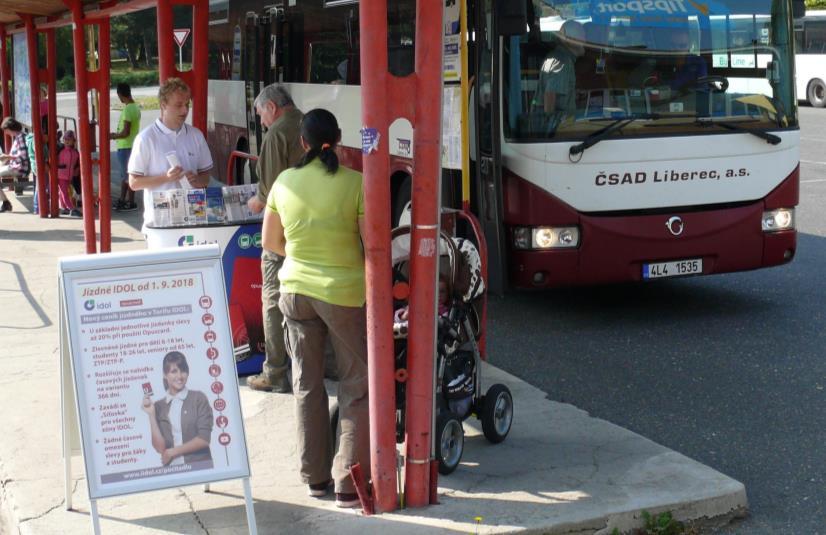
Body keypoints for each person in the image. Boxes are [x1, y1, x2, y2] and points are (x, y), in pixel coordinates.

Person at [262, 108, 369, 509]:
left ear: (302, 143)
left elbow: (271, 242)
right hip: (343, 293)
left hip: (295, 291)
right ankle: (348, 481)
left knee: (307, 385)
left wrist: (303, 261)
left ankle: (315, 478)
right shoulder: (356, 184)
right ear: (338, 140)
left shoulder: (283, 182)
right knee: (355, 384)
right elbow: (368, 243)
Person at [245, 84, 304, 394]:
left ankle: (276, 371)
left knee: (272, 296)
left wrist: (255, 201)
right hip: (311, 227)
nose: (262, 122)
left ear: (272, 107)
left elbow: (269, 191)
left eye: (260, 115)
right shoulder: (308, 123)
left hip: (281, 229)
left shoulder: (277, 133)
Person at [128, 78, 213, 231]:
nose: (185, 110)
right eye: (179, 105)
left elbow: (206, 176)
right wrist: (166, 178)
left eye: (187, 104)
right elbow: (134, 183)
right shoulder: (146, 138)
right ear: (163, 105)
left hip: (194, 219)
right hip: (160, 224)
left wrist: (197, 181)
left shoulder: (196, 135)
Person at [141, 351, 214, 467]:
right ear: (165, 375)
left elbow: (204, 439)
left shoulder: (198, 398)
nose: (179, 376)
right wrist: (151, 414)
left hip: (199, 466)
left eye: (183, 371)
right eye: (174, 371)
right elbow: (160, 448)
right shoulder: (159, 406)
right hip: (172, 470)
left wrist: (172, 452)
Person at [530, 20, 586, 135]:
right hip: (555, 132)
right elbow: (550, 95)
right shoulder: (562, 61)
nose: (585, 41)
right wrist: (550, 135)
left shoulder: (558, 57)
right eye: (582, 37)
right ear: (572, 40)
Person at [110, 83, 141, 211]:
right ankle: (125, 200)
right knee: (128, 175)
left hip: (125, 146)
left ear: (120, 95)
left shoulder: (128, 109)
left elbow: (126, 132)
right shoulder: (136, 108)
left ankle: (128, 202)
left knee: (127, 176)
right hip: (131, 145)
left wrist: (113, 136)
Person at [0, 117, 30, 213]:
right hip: (17, 166)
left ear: (10, 128)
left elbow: (23, 156)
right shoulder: (19, 136)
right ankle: (5, 202)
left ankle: (5, 202)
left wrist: (8, 157)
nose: (6, 133)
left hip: (19, 168)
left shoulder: (20, 138)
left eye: (6, 130)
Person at [57, 131, 82, 217]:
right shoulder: (60, 150)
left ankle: (64, 207)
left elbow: (77, 164)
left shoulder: (75, 152)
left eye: (69, 139)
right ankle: (71, 208)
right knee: (64, 192)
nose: (67, 141)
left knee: (63, 192)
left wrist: (76, 171)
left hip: (69, 175)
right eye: (65, 139)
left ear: (73, 141)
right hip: (60, 175)